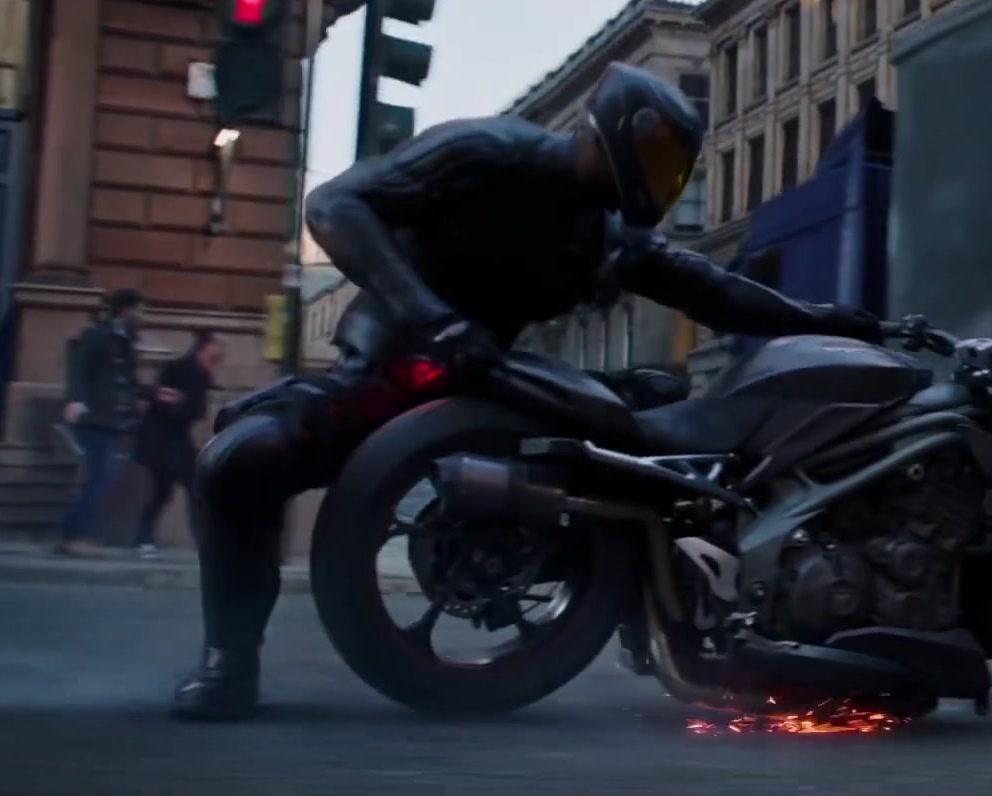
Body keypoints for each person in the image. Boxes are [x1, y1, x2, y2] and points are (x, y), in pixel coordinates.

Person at [171, 63, 884, 721]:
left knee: (652, 420)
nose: (659, 176)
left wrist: (831, 320)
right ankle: (229, 659)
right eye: (655, 155)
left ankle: (698, 612)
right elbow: (335, 204)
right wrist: (431, 318)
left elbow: (714, 291)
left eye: (672, 165)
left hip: (494, 382)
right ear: (609, 132)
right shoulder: (488, 152)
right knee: (242, 459)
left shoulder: (610, 237)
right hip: (392, 367)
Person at [58, 289, 169, 557]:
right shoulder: (97, 335)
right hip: (95, 418)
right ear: (125, 310)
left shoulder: (126, 341)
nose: (142, 316)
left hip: (114, 421)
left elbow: (128, 382)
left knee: (99, 480)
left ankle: (73, 535)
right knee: (97, 479)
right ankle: (76, 537)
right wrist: (75, 400)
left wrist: (154, 393)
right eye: (139, 310)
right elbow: (78, 368)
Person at [131, 330, 223, 560]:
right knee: (173, 489)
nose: (220, 351)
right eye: (217, 345)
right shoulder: (180, 367)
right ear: (204, 347)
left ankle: (146, 538)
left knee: (175, 490)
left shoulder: (202, 372)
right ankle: (147, 539)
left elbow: (196, 410)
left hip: (177, 439)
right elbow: (160, 396)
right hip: (162, 438)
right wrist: (176, 401)